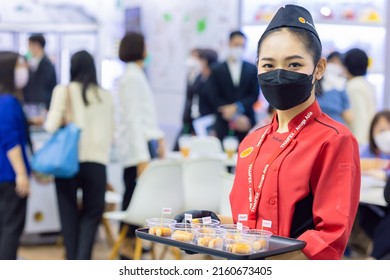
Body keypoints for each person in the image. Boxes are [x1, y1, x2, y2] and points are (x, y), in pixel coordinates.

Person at [175, 4, 361, 260]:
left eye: (294, 64)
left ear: (318, 69)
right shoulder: (251, 141)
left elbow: (328, 239)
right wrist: (214, 224)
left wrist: (261, 262)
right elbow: (251, 226)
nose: (279, 74)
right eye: (268, 65)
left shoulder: (335, 140)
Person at [44, 50, 114, 260]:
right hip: (97, 163)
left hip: (68, 162)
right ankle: (83, 262)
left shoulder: (63, 91)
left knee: (69, 215)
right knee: (92, 216)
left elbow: (50, 126)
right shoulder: (106, 95)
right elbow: (112, 131)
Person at [116, 32, 165, 258]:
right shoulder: (132, 78)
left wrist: (159, 137)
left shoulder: (135, 75)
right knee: (134, 197)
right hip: (138, 150)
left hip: (144, 146)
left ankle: (133, 243)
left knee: (138, 196)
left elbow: (144, 118)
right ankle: (127, 246)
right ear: (139, 48)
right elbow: (134, 121)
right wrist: (141, 157)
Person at [0, 51, 30, 259]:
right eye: (20, 66)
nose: (24, 70)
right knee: (11, 230)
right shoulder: (8, 102)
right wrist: (21, 172)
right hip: (9, 177)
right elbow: (10, 140)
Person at [208, 30, 259, 143]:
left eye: (242, 45)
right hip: (223, 122)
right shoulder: (216, 69)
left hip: (246, 121)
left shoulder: (252, 69)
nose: (239, 48)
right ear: (229, 44)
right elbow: (213, 96)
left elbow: (254, 95)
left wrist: (236, 107)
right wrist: (234, 116)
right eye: (236, 45)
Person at [354, 110, 390, 259]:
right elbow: (354, 164)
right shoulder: (365, 151)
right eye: (381, 130)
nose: (386, 134)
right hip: (366, 203)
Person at [173, 48, 219, 149]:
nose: (196, 62)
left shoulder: (215, 79)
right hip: (193, 119)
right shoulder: (199, 77)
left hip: (206, 122)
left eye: (199, 59)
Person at [343, 47, 376, 145]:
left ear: (347, 66)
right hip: (368, 139)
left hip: (360, 142)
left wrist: (358, 143)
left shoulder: (352, 87)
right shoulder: (367, 84)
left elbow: (360, 117)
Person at [317, 51, 353, 126]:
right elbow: (349, 117)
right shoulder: (340, 86)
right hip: (334, 129)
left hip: (319, 130)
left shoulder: (312, 85)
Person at [23, 33, 57, 110]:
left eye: (29, 45)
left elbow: (43, 87)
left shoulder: (46, 63)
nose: (28, 49)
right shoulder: (31, 62)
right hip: (32, 104)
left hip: (41, 105)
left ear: (37, 45)